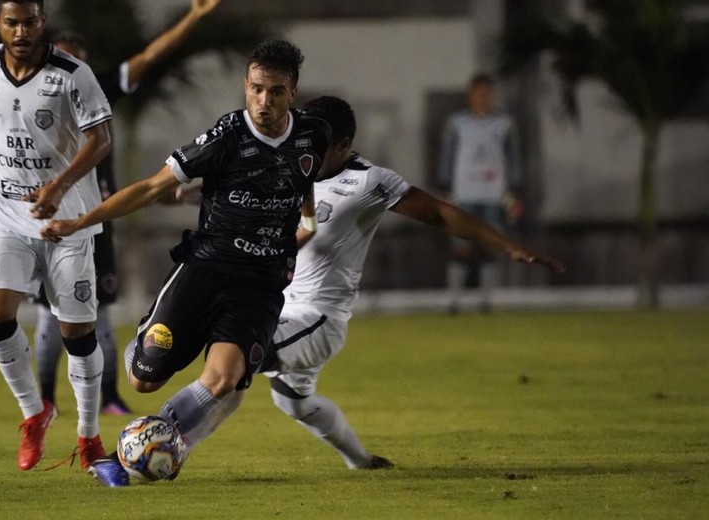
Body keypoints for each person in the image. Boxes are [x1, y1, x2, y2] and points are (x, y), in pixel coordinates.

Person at [165, 95, 564, 470]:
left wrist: (507, 246)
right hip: (275, 307)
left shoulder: (369, 181)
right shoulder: (288, 166)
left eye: (319, 143)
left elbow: (440, 213)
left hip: (317, 319)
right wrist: (187, 193)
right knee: (294, 402)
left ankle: (159, 440)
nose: (307, 147)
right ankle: (362, 461)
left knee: (231, 364)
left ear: (342, 146)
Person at [0, 0, 227, 415]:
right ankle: (44, 403)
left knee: (92, 318)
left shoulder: (91, 84)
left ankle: (105, 399)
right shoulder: (2, 67)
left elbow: (150, 57)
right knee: (42, 318)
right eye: (14, 25)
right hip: (25, 210)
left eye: (71, 57)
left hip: (90, 212)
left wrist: (193, 17)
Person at [42, 40, 332, 486]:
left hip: (259, 283)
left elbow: (302, 178)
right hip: (204, 269)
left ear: (293, 92)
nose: (263, 101)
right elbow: (150, 187)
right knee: (143, 379)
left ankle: (138, 452)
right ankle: (155, 354)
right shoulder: (226, 137)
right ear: (246, 86)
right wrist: (83, 220)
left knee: (223, 379)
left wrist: (306, 219)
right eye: (256, 89)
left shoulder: (313, 135)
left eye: (275, 92)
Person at [0, 0, 113, 471]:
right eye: (12, 23)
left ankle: (88, 438)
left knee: (77, 333)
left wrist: (59, 187)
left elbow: (101, 139)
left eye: (31, 22)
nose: (22, 32)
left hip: (68, 218)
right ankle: (34, 413)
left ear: (43, 22)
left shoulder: (72, 74)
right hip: (7, 211)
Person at [437, 73, 524, 314]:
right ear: (470, 95)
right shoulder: (457, 123)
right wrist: (444, 186)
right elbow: (447, 154)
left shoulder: (504, 124)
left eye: (487, 93)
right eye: (479, 93)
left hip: (493, 195)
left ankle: (486, 302)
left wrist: (514, 190)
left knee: (488, 248)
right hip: (462, 195)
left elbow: (513, 156)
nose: (483, 98)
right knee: (460, 248)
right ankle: (453, 302)